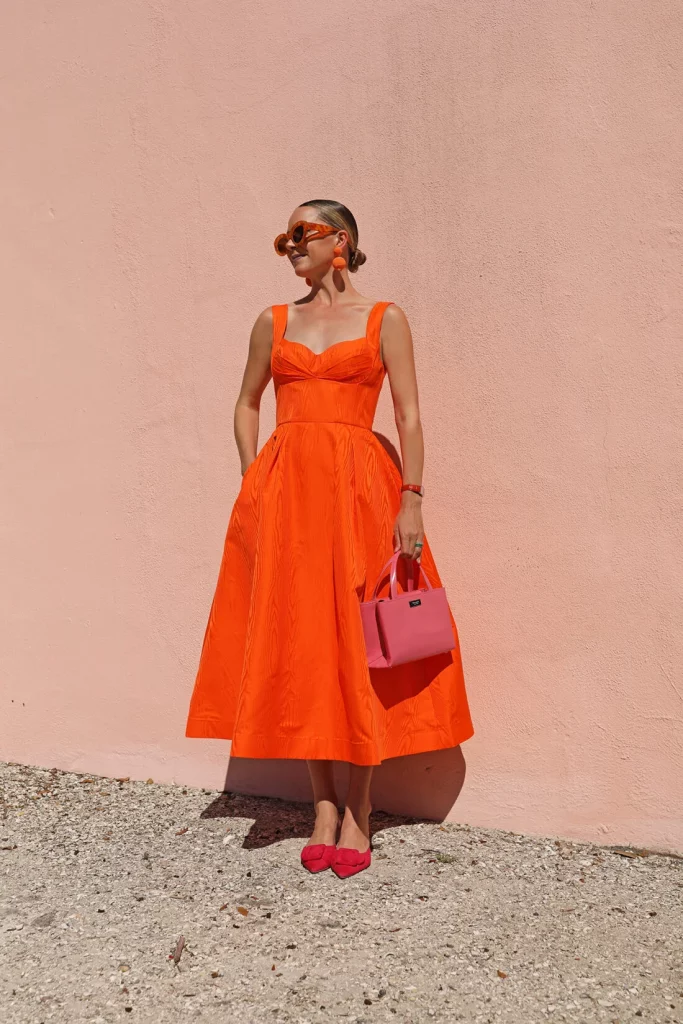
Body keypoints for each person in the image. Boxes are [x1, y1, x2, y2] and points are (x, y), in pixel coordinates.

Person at [185, 199, 474, 878]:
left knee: (360, 640)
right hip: (288, 497)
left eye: (301, 235)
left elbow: (407, 415)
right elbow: (246, 400)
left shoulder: (383, 319)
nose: (288, 247)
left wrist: (412, 500)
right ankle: (320, 804)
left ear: (339, 241)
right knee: (305, 641)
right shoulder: (273, 321)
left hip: (361, 493)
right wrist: (253, 473)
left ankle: (360, 806)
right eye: (283, 239)